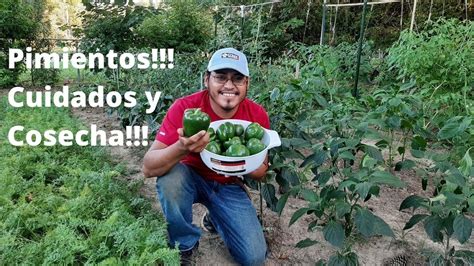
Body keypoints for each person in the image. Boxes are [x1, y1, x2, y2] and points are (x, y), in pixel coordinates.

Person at [142, 48, 270, 265]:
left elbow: (261, 172)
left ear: (247, 83)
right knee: (170, 180)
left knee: (254, 258)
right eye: (220, 77)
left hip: (228, 185)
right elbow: (148, 167)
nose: (229, 85)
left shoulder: (256, 116)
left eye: (237, 79)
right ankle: (184, 245)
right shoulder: (185, 108)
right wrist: (182, 148)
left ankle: (216, 217)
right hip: (189, 178)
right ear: (207, 79)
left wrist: (239, 161)